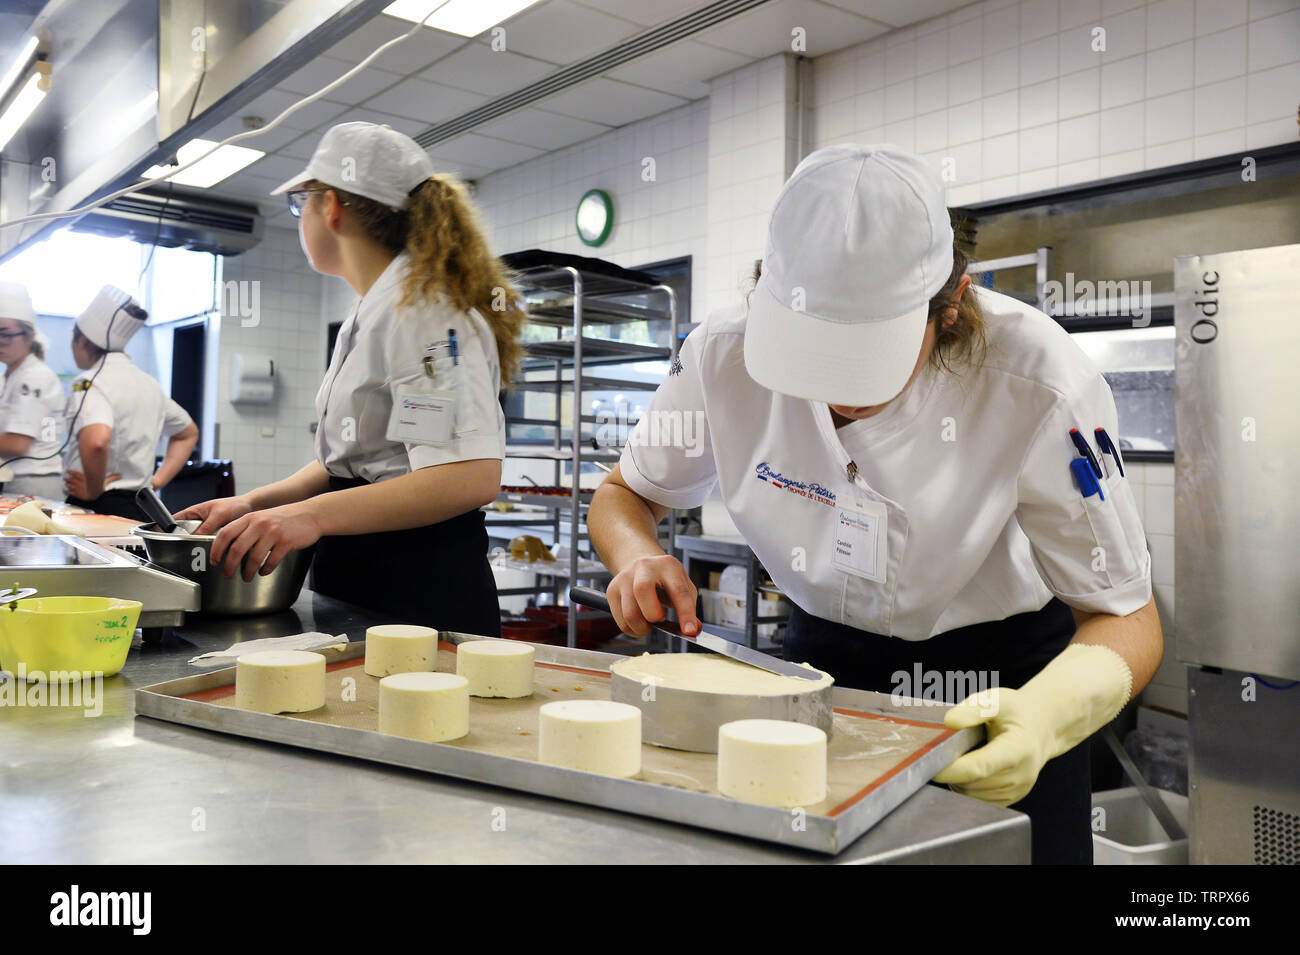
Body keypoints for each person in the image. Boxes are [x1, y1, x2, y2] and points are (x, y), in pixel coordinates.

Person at [587, 144, 1163, 865]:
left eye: (867, 358)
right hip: (821, 673)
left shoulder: (1040, 380)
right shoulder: (720, 357)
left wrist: (1047, 717)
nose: (837, 391)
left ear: (951, 305)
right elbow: (622, 493)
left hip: (1004, 684)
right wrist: (637, 555)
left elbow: (1128, 616)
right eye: (812, 353)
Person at [178, 122, 523, 635]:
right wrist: (256, 502)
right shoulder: (379, 310)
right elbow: (360, 462)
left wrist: (311, 517)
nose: (302, 219)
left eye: (302, 204)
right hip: (368, 567)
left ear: (332, 206)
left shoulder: (427, 312)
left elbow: (467, 476)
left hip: (418, 582)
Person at [63, 286, 199, 518]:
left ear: (82, 341)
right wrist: (156, 481)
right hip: (142, 507)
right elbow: (188, 433)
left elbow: (96, 441)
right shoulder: (148, 383)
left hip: (96, 508)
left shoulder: (88, 382)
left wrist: (93, 490)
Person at [0, 281, 65, 499]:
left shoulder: (34, 378)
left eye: (6, 334)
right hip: (16, 481)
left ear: (28, 335)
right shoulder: (10, 376)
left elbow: (18, 443)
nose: (0, 342)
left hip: (33, 484)